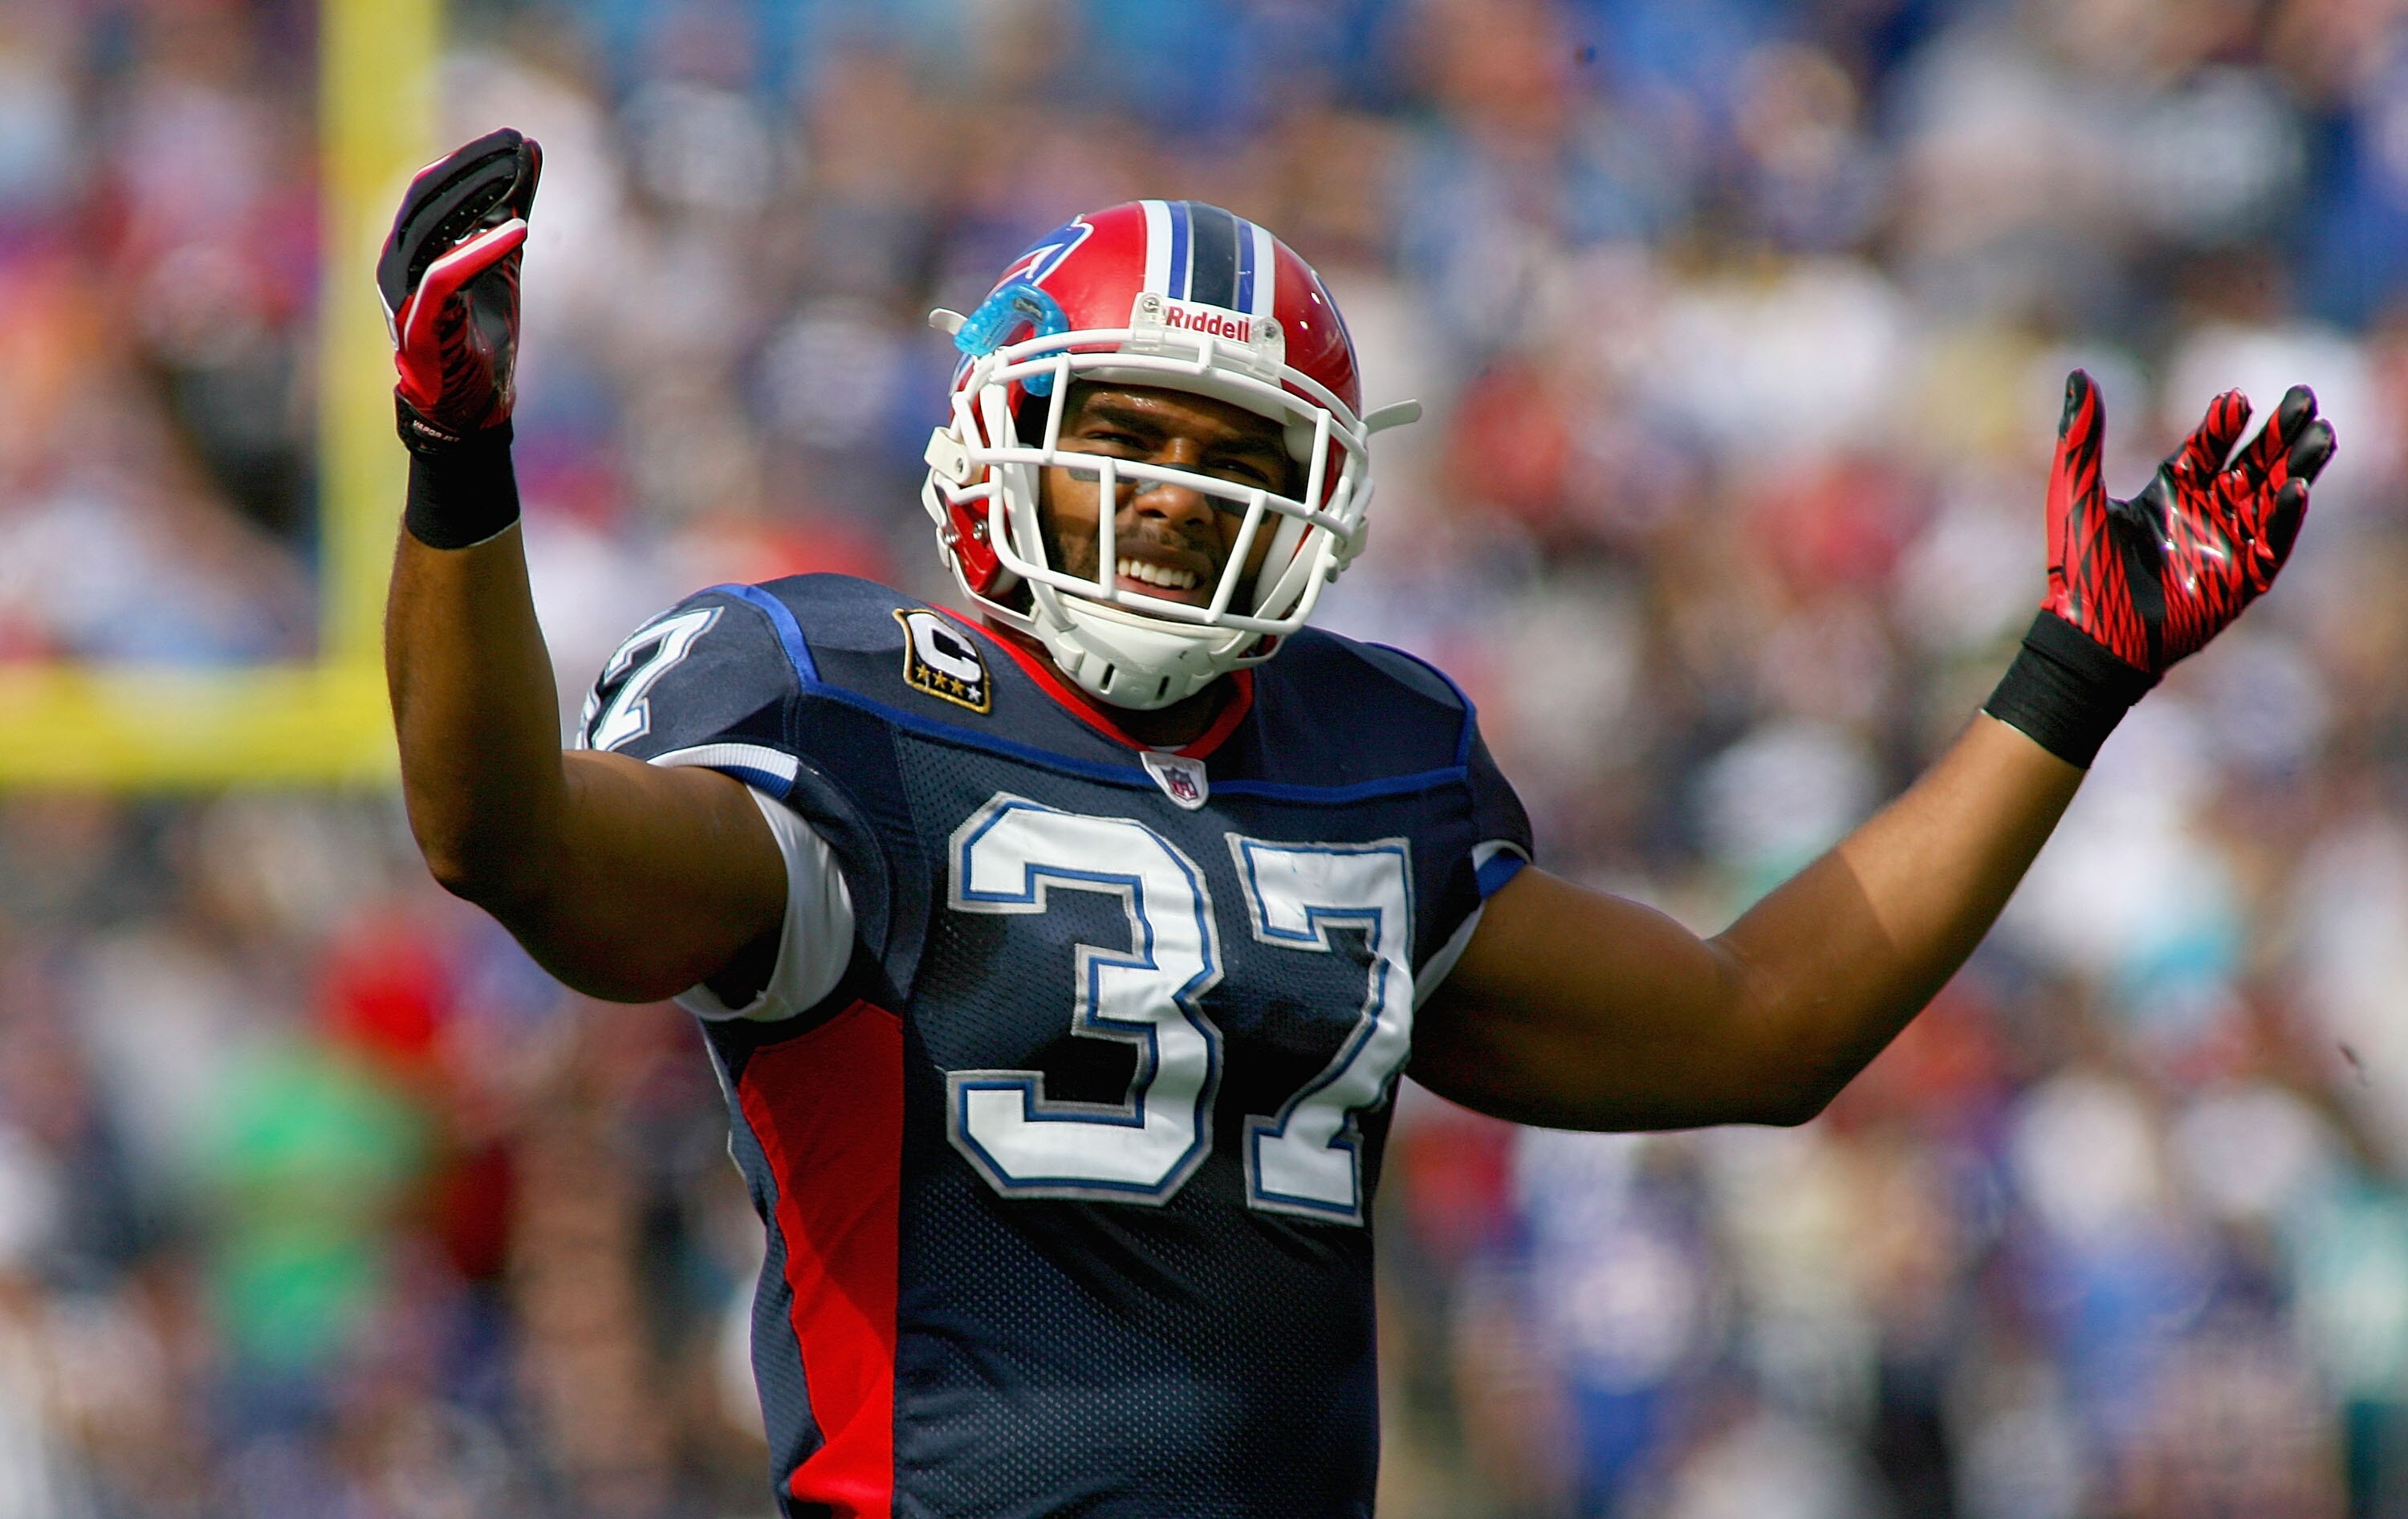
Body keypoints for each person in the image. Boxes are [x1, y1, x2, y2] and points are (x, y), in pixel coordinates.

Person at [379, 130, 2335, 1518]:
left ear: (1318, 496)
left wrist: (2071, 671)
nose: (1165, 491)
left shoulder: (1374, 758)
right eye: (1127, 432)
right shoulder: (842, 700)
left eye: (1226, 452)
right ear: (999, 435)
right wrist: (463, 470)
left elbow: (1762, 1021)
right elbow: (511, 843)